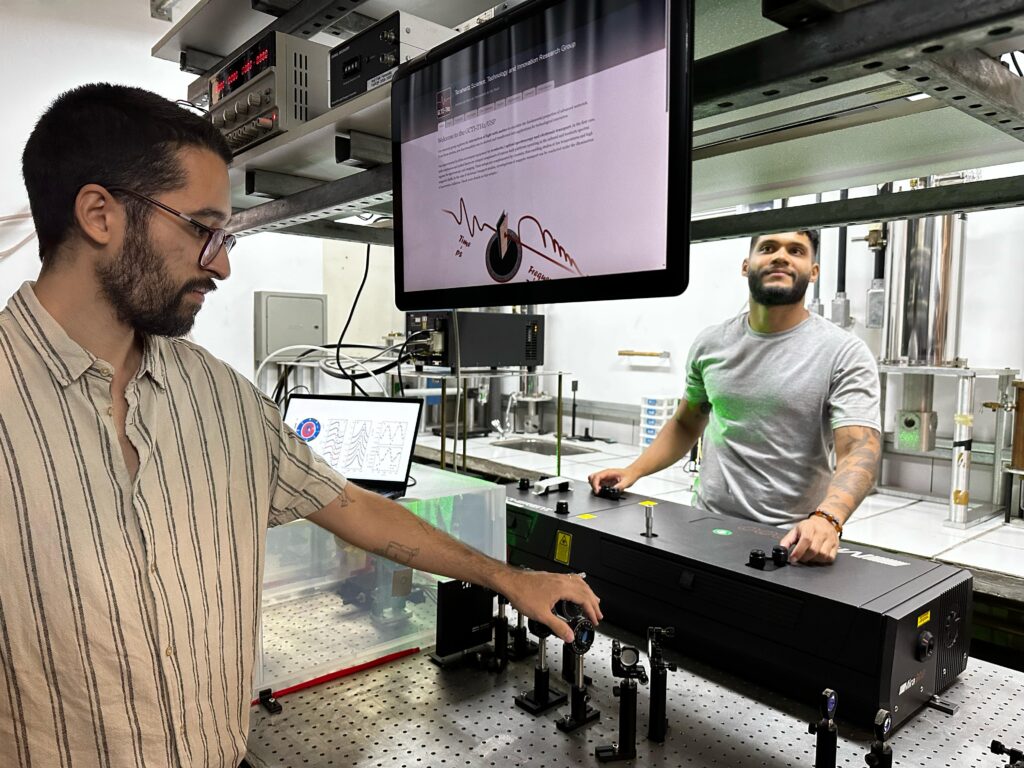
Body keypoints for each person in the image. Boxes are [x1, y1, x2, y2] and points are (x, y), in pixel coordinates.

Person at [0, 83, 601, 768]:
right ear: (100, 215)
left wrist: (510, 579)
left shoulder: (219, 397)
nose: (221, 263)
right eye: (202, 229)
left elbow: (353, 507)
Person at [589, 230, 881, 565]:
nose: (781, 256)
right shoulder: (711, 344)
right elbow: (686, 423)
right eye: (768, 248)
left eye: (796, 250)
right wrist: (633, 471)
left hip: (791, 539)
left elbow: (860, 447)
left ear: (814, 271)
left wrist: (828, 519)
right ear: (746, 265)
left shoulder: (843, 352)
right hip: (705, 523)